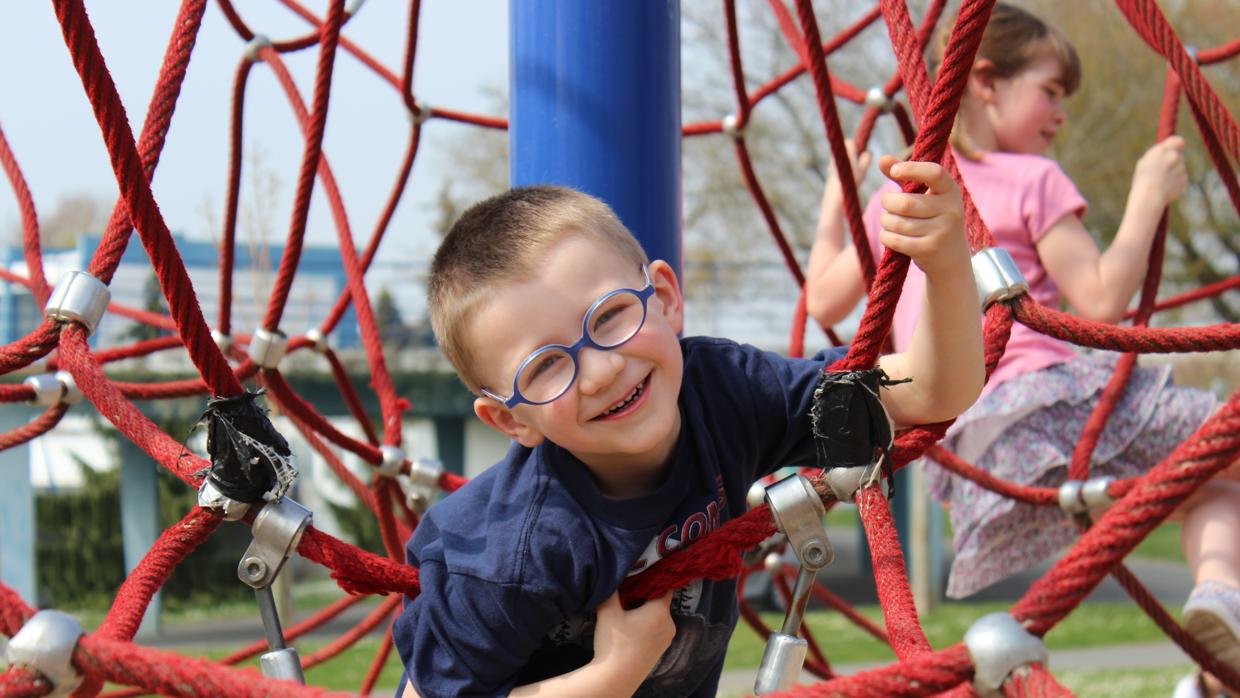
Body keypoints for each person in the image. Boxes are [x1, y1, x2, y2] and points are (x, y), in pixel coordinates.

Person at [394, 174, 983, 697]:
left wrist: (947, 267)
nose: (602, 371)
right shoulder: (511, 556)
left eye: (609, 317)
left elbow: (931, 393)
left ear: (668, 299)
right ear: (512, 420)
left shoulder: (724, 394)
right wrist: (613, 676)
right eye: (546, 366)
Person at [807, 1, 1240, 686]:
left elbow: (824, 298)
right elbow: (1100, 299)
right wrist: (1147, 197)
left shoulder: (909, 193)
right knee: (1227, 454)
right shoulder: (1034, 179)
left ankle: (1214, 658)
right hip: (1050, 408)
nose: (1062, 112)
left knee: (1204, 487)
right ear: (986, 82)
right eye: (1050, 90)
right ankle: (1220, 604)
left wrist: (837, 204)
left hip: (974, 452)